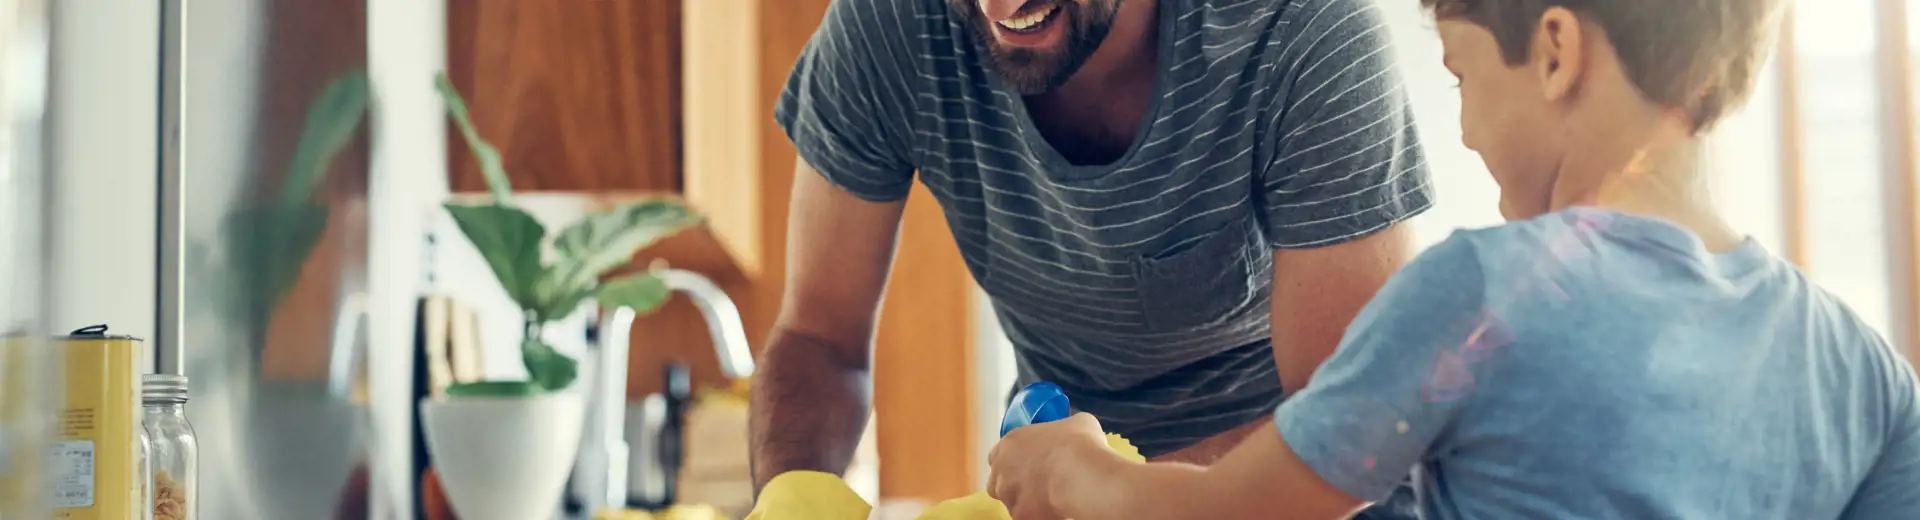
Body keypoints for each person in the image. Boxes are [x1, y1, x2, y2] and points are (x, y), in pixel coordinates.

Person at [984, 0, 1920, 518]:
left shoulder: (1480, 296)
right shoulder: (1864, 368)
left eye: (1463, 79)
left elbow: (1241, 517)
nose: (1465, 133)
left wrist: (1075, 467)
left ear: (1554, 52)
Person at [753, 0, 1431, 517]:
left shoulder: (1303, 32)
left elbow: (1356, 421)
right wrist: (794, 497)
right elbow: (819, 338)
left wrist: (1112, 492)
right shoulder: (888, 27)